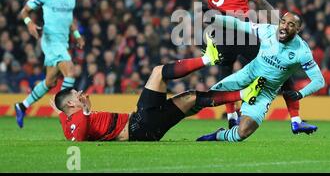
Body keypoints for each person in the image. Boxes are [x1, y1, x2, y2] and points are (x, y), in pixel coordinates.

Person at [173, 0, 317, 134]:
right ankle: (295, 120)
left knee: (226, 73)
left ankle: (232, 117)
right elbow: (261, 3)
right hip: (241, 31)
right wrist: (281, 24)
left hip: (218, 32)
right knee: (281, 69)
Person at [50, 36, 264, 141]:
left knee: (190, 98)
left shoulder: (67, 117)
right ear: (71, 103)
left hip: (144, 128)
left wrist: (58, 106)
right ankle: (210, 57)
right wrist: (86, 111)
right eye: (76, 95)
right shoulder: (77, 121)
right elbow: (77, 138)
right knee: (158, 72)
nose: (80, 95)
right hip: (138, 126)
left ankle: (245, 94)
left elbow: (64, 117)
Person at [197, 12, 325, 142]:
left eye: (291, 25)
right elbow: (238, 24)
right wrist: (215, 18)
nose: (285, 26)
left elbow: (319, 81)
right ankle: (178, 114)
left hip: (264, 91)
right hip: (246, 76)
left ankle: (219, 135)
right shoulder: (267, 30)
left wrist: (300, 94)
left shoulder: (302, 51)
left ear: (298, 30)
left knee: (241, 133)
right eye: (283, 21)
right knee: (204, 98)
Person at [14, 0, 85, 128]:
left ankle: (22, 105)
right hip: (50, 40)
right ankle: (66, 113)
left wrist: (77, 35)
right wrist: (30, 23)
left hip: (63, 41)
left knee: (50, 82)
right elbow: (24, 11)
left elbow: (69, 20)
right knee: (70, 72)